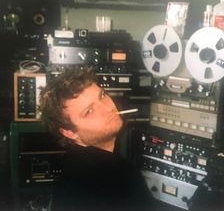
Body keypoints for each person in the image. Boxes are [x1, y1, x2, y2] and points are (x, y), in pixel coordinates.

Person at [39, 67, 155, 211]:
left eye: (102, 96)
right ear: (70, 133)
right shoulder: (122, 177)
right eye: (89, 111)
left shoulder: (75, 166)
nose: (108, 109)